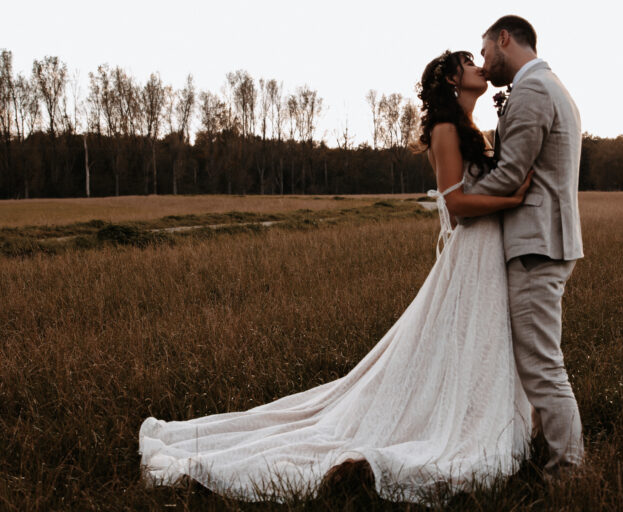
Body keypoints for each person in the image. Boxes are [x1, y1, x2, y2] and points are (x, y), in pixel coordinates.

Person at [138, 51, 534, 504]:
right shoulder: (446, 130)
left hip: (488, 253)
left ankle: (482, 414)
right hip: (472, 251)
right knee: (462, 345)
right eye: (468, 61)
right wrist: (513, 200)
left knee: (476, 346)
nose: (479, 66)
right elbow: (457, 205)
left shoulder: (473, 129)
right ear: (450, 78)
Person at [462, 15, 585, 477]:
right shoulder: (549, 86)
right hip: (547, 239)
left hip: (537, 244)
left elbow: (512, 174)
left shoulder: (533, 91)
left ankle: (567, 469)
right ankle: (540, 449)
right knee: (535, 359)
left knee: (541, 365)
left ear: (505, 39)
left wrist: (459, 200)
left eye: (487, 49)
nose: (485, 60)